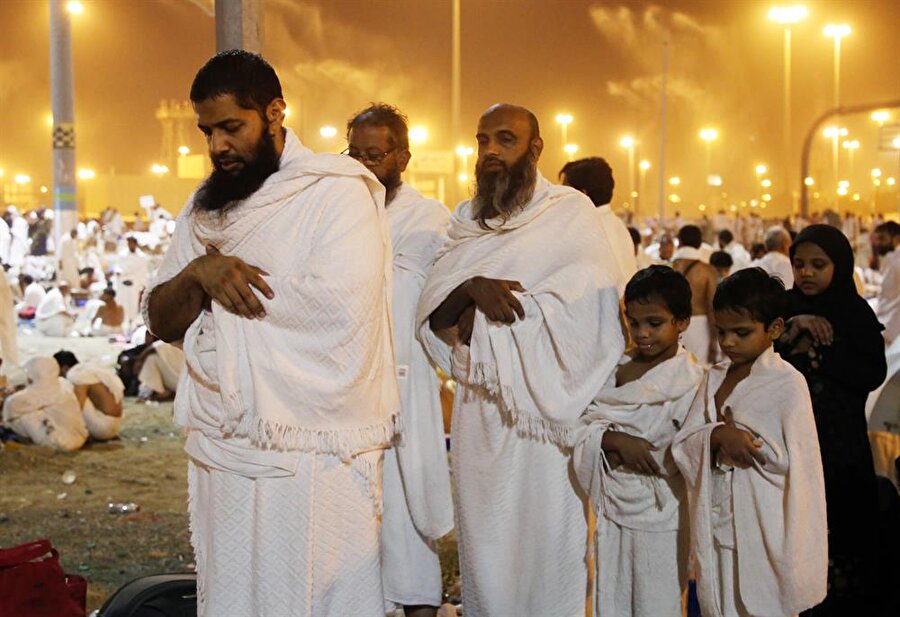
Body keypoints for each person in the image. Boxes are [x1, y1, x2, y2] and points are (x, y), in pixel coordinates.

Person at [144, 50, 397, 616]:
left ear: (276, 112)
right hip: (226, 445)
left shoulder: (334, 192)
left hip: (317, 450)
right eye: (207, 131)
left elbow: (339, 310)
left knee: (313, 593)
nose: (217, 147)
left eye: (232, 127)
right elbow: (159, 316)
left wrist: (215, 305)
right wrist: (198, 274)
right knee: (234, 593)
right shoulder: (204, 206)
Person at [417, 103, 624, 616]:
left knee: (549, 547)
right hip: (481, 418)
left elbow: (591, 317)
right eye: (482, 140)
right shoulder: (466, 223)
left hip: (549, 421)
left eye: (504, 140)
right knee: (485, 546)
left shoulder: (568, 214)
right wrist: (471, 287)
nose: (490, 151)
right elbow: (434, 315)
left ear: (535, 150)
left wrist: (494, 317)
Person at [346, 103, 452, 617]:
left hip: (406, 387)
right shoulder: (336, 218)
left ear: (403, 157)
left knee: (408, 514)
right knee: (352, 517)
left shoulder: (429, 219)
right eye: (355, 154)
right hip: (348, 391)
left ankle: (418, 606)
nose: (365, 165)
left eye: (376, 154)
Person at [672, 268, 827, 617]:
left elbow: (801, 467)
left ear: (774, 329)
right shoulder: (713, 378)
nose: (728, 342)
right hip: (716, 527)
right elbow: (683, 444)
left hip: (763, 528)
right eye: (722, 331)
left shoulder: (788, 384)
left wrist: (750, 446)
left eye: (741, 333)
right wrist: (716, 436)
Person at [573, 266, 703, 617]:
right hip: (612, 509)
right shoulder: (613, 368)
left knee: (656, 604)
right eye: (634, 322)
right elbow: (583, 425)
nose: (642, 333)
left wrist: (633, 447)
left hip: (662, 515)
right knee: (611, 598)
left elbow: (685, 450)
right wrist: (612, 439)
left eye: (654, 323)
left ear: (682, 322)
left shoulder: (691, 381)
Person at [775, 224, 888, 614]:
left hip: (841, 445)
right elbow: (761, 359)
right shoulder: (782, 310)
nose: (806, 272)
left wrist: (819, 357)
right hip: (792, 443)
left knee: (845, 529)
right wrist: (796, 328)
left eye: (818, 265)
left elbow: (871, 372)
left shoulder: (855, 314)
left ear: (838, 266)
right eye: (799, 264)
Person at [559, 157, 637, 295]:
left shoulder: (592, 229)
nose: (558, 196)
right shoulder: (614, 224)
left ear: (583, 194)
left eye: (564, 189)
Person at [1, 356, 87, 451]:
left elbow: (10, 406)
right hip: (80, 437)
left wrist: (8, 396)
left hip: (63, 444)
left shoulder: (34, 394)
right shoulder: (63, 383)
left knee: (22, 417)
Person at [53, 350, 124, 441]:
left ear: (64, 368)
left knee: (68, 390)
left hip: (102, 429)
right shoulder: (88, 370)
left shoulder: (76, 375)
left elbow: (78, 408)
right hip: (115, 427)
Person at [672, 225, 718, 363]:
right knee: (698, 371)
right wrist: (715, 339)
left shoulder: (667, 268)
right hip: (699, 327)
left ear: (679, 242)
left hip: (671, 325)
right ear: (700, 242)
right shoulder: (708, 271)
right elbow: (712, 307)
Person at [873, 220, 900, 344]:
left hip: (891, 331)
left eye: (882, 239)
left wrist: (887, 333)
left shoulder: (896, 263)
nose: (878, 243)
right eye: (877, 239)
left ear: (896, 239)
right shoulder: (890, 260)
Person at [117, 235, 149, 329]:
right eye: (129, 243)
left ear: (135, 244)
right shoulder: (122, 255)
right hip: (123, 284)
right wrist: (120, 273)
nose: (130, 245)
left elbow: (142, 272)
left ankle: (131, 326)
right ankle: (122, 325)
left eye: (132, 243)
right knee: (122, 305)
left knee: (133, 307)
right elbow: (119, 268)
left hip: (135, 284)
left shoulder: (142, 257)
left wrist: (142, 286)